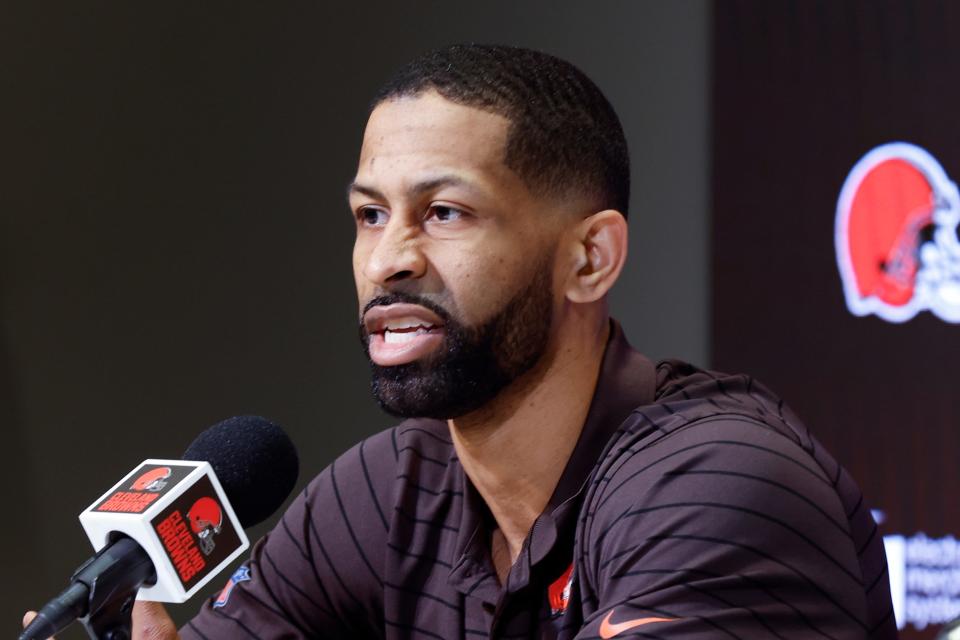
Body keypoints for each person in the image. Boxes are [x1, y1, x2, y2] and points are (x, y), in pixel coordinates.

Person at [25, 44, 897, 639]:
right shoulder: (387, 491)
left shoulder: (719, 488)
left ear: (589, 258)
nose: (389, 260)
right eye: (371, 216)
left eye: (445, 213)